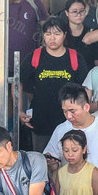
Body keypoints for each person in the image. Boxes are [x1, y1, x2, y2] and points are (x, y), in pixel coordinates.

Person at [20, 16, 90, 152]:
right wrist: (20, 110)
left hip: (70, 122)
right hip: (41, 121)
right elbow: (20, 84)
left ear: (64, 35)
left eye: (57, 34)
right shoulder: (34, 57)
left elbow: (86, 89)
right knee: (41, 159)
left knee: (71, 157)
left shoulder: (75, 58)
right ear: (43, 36)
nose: (52, 38)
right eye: (48, 34)